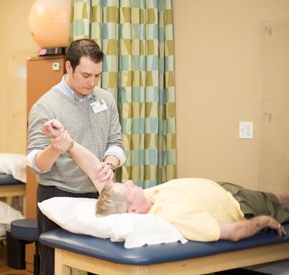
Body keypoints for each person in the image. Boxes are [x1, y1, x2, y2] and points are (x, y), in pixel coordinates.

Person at [42, 119, 289, 243]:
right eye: (128, 189)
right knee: (281, 199)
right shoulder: (172, 216)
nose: (129, 183)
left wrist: (67, 142)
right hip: (239, 204)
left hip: (219, 188)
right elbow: (234, 233)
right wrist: (265, 220)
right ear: (134, 211)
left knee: (280, 197)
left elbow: (95, 169)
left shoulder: (134, 201)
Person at [27, 39, 126, 274]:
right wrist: (54, 149)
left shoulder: (105, 100)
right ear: (69, 67)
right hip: (57, 195)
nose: (91, 83)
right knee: (53, 266)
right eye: (86, 75)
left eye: (97, 76)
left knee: (100, 264)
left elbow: (116, 144)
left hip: (96, 193)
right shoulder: (45, 107)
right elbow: (34, 164)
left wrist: (110, 164)